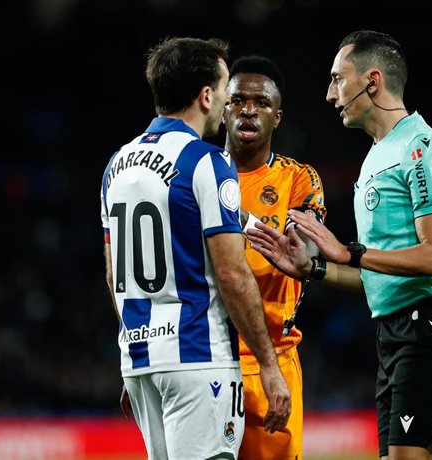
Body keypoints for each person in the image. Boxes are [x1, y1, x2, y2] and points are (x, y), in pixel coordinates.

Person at [246, 30, 432, 460]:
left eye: (338, 79)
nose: (331, 93)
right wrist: (312, 270)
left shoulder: (420, 148)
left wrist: (347, 252)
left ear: (372, 81)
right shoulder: (377, 155)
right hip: (394, 328)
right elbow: (377, 275)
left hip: (431, 321)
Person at [100, 37, 290, 459]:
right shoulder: (208, 161)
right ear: (206, 96)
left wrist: (139, 351)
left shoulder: (117, 165)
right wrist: (270, 367)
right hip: (199, 359)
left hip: (139, 359)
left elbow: (116, 274)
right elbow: (232, 273)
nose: (228, 102)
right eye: (224, 89)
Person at [223, 55, 327, 459]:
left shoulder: (298, 178)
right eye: (239, 100)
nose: (249, 109)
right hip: (202, 355)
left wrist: (236, 215)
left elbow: (307, 251)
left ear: (277, 117)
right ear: (222, 109)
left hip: (272, 357)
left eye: (262, 103)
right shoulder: (194, 172)